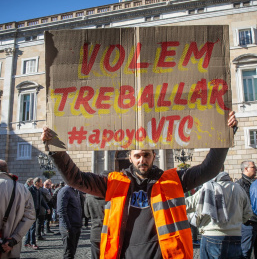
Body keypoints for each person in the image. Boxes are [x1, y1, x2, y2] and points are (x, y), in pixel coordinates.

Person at [41, 111, 237, 259]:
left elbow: (208, 170)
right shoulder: (113, 182)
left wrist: (225, 137)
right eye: (137, 155)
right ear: (130, 158)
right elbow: (76, 179)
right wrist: (56, 151)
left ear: (153, 156)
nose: (142, 160)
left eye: (146, 155)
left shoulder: (172, 180)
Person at [186, 171, 252, 259]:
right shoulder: (239, 189)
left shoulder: (209, 188)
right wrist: (236, 223)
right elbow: (248, 213)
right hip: (235, 236)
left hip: (211, 234)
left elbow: (188, 204)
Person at [236, 160, 257, 259]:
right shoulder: (239, 184)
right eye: (253, 167)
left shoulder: (255, 182)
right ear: (246, 169)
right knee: (245, 252)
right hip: (248, 223)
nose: (256, 169)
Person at [84, 171, 109, 259]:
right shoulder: (111, 194)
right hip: (109, 232)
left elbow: (87, 214)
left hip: (95, 232)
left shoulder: (88, 195)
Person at [57, 181, 83, 259]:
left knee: (72, 251)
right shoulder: (65, 190)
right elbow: (61, 210)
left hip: (76, 225)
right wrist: (67, 227)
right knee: (68, 253)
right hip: (69, 227)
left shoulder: (75, 191)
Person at [24, 177, 50, 248]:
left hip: (37, 211)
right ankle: (33, 243)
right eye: (40, 182)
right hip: (31, 211)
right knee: (32, 227)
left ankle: (27, 242)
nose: (42, 183)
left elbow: (42, 201)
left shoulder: (39, 191)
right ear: (36, 183)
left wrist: (47, 208)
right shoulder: (30, 190)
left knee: (31, 227)